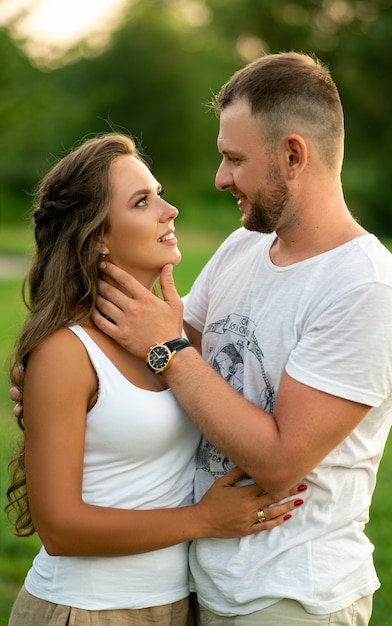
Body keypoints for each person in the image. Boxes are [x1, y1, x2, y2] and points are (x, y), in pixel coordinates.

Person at [88, 52, 392, 625]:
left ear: (292, 155)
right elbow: (150, 353)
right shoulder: (242, 248)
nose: (219, 179)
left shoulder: (367, 289)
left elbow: (280, 460)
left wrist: (169, 351)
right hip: (199, 579)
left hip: (290, 598)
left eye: (234, 159)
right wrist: (70, 377)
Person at [5, 132, 306, 626]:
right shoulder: (66, 350)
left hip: (175, 605)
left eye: (159, 194)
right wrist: (204, 520)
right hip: (87, 609)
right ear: (98, 234)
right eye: (143, 201)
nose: (170, 211)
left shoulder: (172, 334)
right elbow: (58, 527)